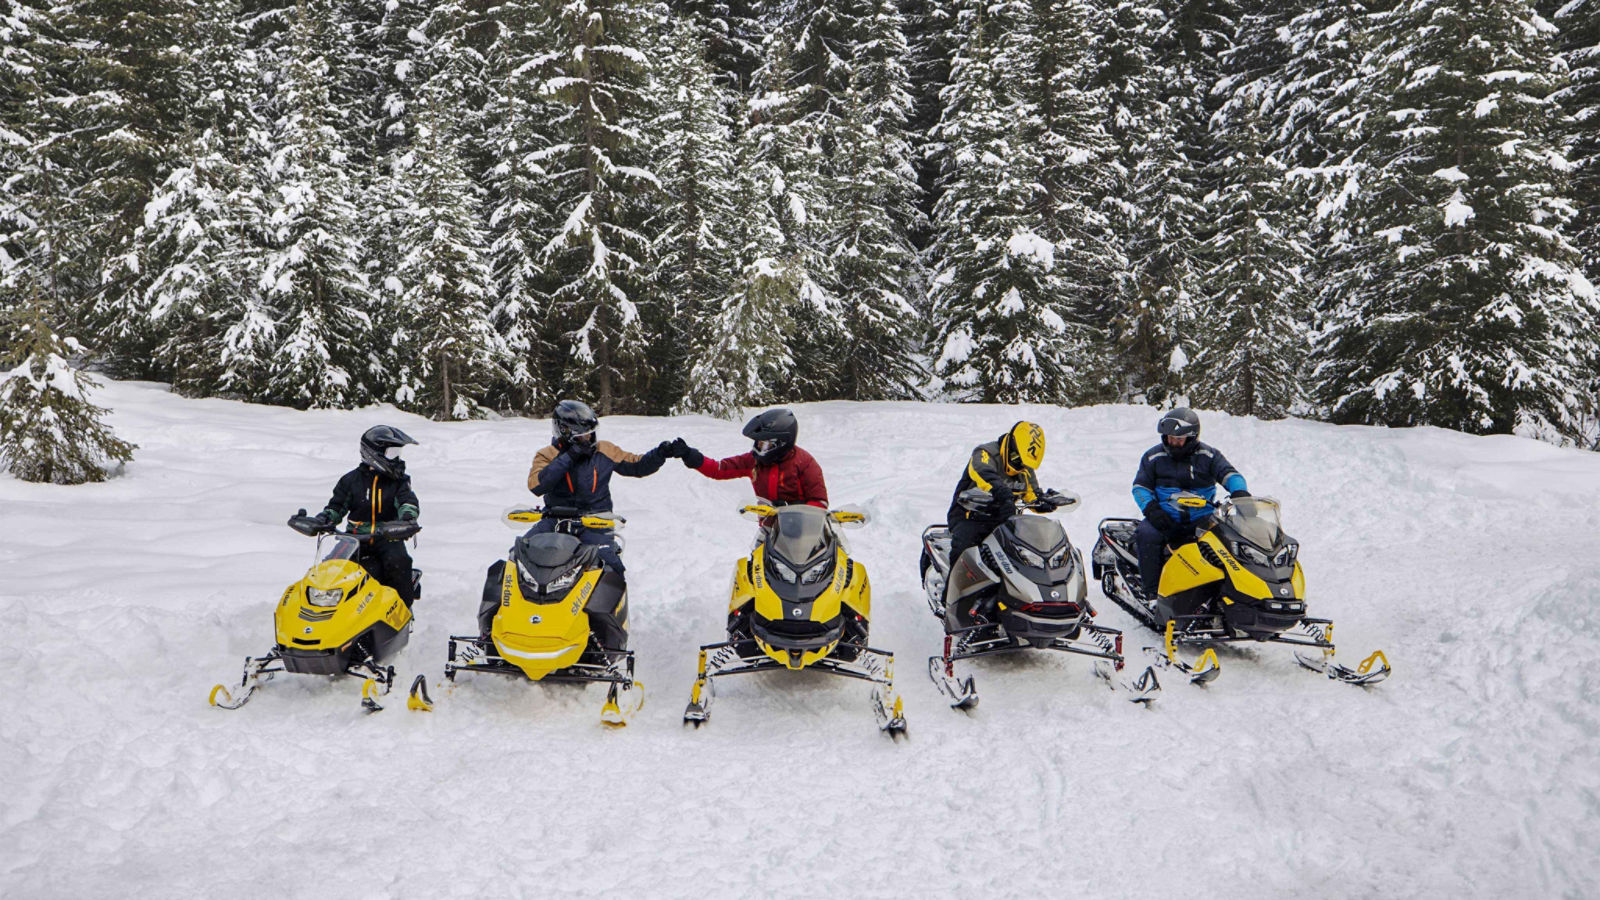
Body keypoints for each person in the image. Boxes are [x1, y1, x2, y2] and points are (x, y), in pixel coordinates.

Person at [477, 400, 680, 640]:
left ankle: (608, 632)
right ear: (565, 434)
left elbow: (637, 466)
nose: (589, 440)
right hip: (554, 519)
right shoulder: (547, 454)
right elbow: (538, 485)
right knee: (518, 555)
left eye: (591, 434)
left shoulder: (605, 450)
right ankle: (498, 625)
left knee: (609, 564)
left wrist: (661, 452)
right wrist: (570, 456)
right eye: (583, 436)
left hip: (595, 521)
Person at [942, 421, 1072, 613]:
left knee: (1025, 553)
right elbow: (982, 473)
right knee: (965, 549)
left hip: (1004, 519)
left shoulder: (1025, 469)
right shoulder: (985, 453)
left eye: (1024, 464)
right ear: (1011, 446)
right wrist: (1001, 493)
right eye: (1018, 460)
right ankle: (952, 602)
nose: (1021, 467)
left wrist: (1045, 503)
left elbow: (1032, 494)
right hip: (971, 515)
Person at [1131, 408, 1249, 600]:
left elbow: (1230, 474)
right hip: (1165, 517)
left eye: (1178, 439)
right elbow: (1140, 487)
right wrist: (1152, 510)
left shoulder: (1209, 456)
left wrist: (1240, 492)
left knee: (1229, 542)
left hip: (1202, 518)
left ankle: (1231, 590)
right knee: (1147, 534)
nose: (1172, 443)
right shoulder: (1153, 457)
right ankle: (1152, 593)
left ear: (1192, 437)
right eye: (1169, 438)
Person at [313, 425, 421, 607]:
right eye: (391, 453)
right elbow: (337, 505)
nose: (396, 458)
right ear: (373, 453)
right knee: (329, 567)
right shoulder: (351, 480)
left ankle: (402, 610)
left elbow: (407, 501)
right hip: (353, 538)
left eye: (397, 453)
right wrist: (325, 518)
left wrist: (407, 518)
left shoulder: (399, 482)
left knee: (398, 562)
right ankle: (325, 611)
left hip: (387, 537)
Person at [674, 408, 827, 507]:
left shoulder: (805, 463)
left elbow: (820, 502)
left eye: (765, 445)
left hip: (804, 532)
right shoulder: (753, 461)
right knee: (754, 558)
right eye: (758, 443)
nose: (760, 449)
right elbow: (719, 469)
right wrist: (690, 455)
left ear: (782, 442)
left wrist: (794, 509)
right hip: (769, 532)